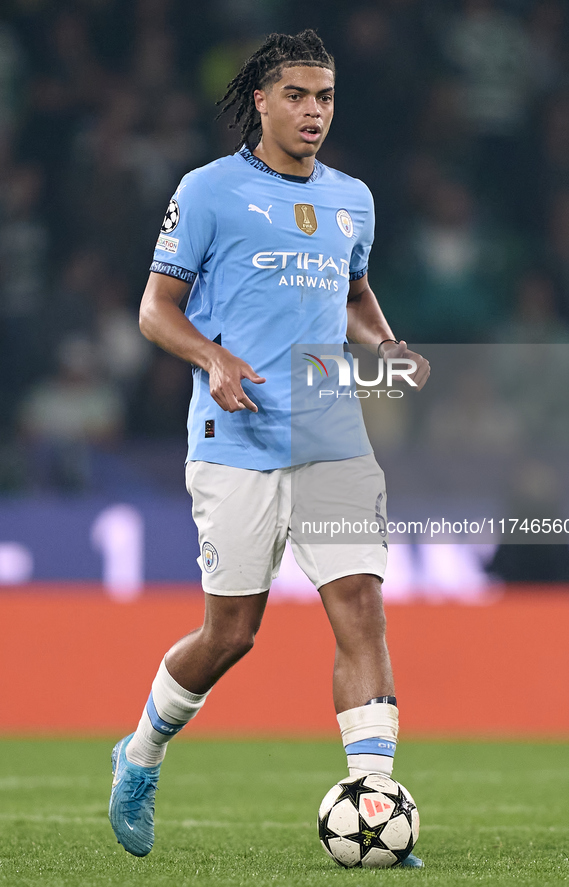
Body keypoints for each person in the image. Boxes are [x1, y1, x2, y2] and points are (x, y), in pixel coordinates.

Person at [108, 29, 430, 867]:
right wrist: (211, 356)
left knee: (359, 604)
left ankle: (375, 799)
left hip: (330, 434)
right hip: (236, 436)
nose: (313, 111)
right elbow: (154, 309)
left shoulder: (352, 198)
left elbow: (353, 290)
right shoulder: (208, 192)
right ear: (259, 99)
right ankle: (140, 750)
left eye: (324, 97)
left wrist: (384, 345)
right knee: (231, 633)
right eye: (296, 95)